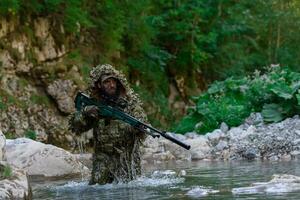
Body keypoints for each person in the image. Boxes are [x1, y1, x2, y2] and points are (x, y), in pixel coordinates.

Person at [69, 64, 147, 184]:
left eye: (114, 81)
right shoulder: (95, 105)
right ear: (99, 85)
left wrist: (140, 128)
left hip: (127, 159)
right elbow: (76, 128)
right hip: (102, 160)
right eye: (107, 82)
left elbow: (143, 126)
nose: (112, 85)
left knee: (130, 190)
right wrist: (85, 112)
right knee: (97, 190)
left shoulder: (130, 104)